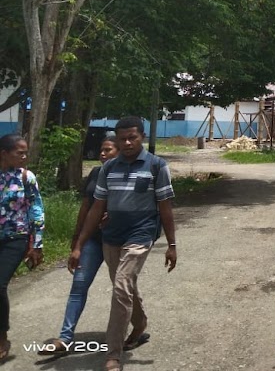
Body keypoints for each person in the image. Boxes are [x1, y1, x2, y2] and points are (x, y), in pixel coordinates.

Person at [69, 117, 177, 371]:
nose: (127, 142)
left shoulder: (156, 166)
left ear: (142, 137)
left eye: (132, 137)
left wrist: (172, 244)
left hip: (141, 235)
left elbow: (165, 207)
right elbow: (96, 208)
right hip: (111, 237)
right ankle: (139, 325)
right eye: (122, 138)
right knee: (125, 287)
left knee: (120, 287)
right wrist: (79, 245)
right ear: (116, 140)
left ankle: (113, 354)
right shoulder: (108, 169)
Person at [42, 135, 127, 354]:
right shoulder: (96, 174)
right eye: (102, 149)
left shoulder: (127, 176)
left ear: (119, 152)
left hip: (118, 241)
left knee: (123, 290)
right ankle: (65, 338)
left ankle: (134, 328)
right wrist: (76, 242)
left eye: (108, 150)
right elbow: (86, 207)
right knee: (78, 286)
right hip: (92, 240)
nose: (102, 153)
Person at [0, 133, 44, 361]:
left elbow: (36, 209)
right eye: (20, 153)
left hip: (15, 238)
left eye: (26, 152)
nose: (25, 157)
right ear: (4, 153)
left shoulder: (26, 177)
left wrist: (36, 244)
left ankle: (2, 336)